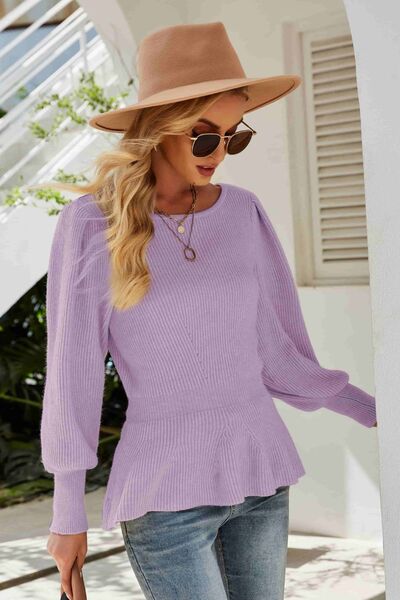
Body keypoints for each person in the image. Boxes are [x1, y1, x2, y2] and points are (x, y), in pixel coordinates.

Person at [40, 21, 377, 600]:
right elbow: (74, 376)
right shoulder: (92, 225)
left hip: (261, 477)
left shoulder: (243, 214)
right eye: (203, 137)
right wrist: (67, 512)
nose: (219, 153)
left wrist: (376, 411)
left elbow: (278, 355)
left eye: (232, 136)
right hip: (164, 497)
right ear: (159, 129)